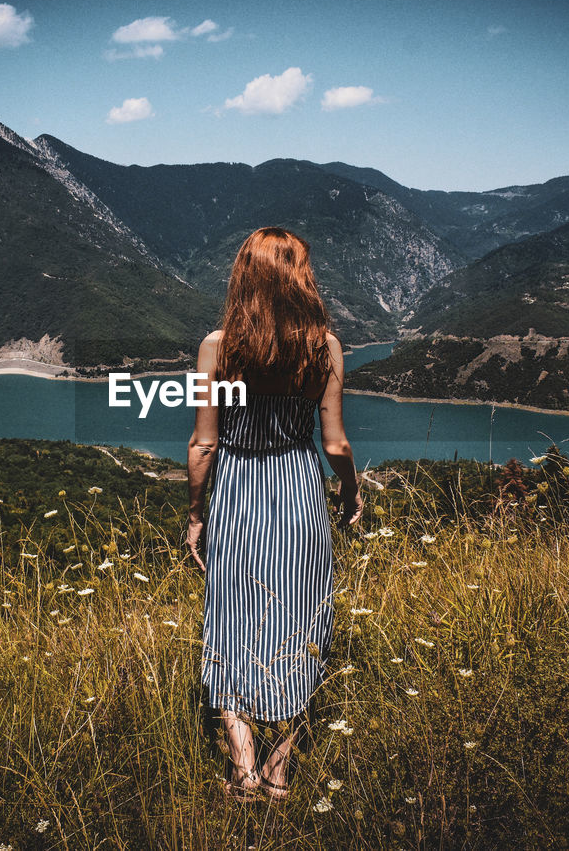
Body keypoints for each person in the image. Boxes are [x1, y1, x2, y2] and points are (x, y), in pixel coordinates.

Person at [186, 226, 363, 802]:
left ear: (244, 277)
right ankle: (281, 767)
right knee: (300, 620)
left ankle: (242, 767)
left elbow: (204, 445)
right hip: (298, 494)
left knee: (234, 619)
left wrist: (195, 513)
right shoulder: (325, 348)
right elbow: (335, 444)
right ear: (301, 279)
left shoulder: (219, 348)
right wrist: (351, 493)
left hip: (238, 494)